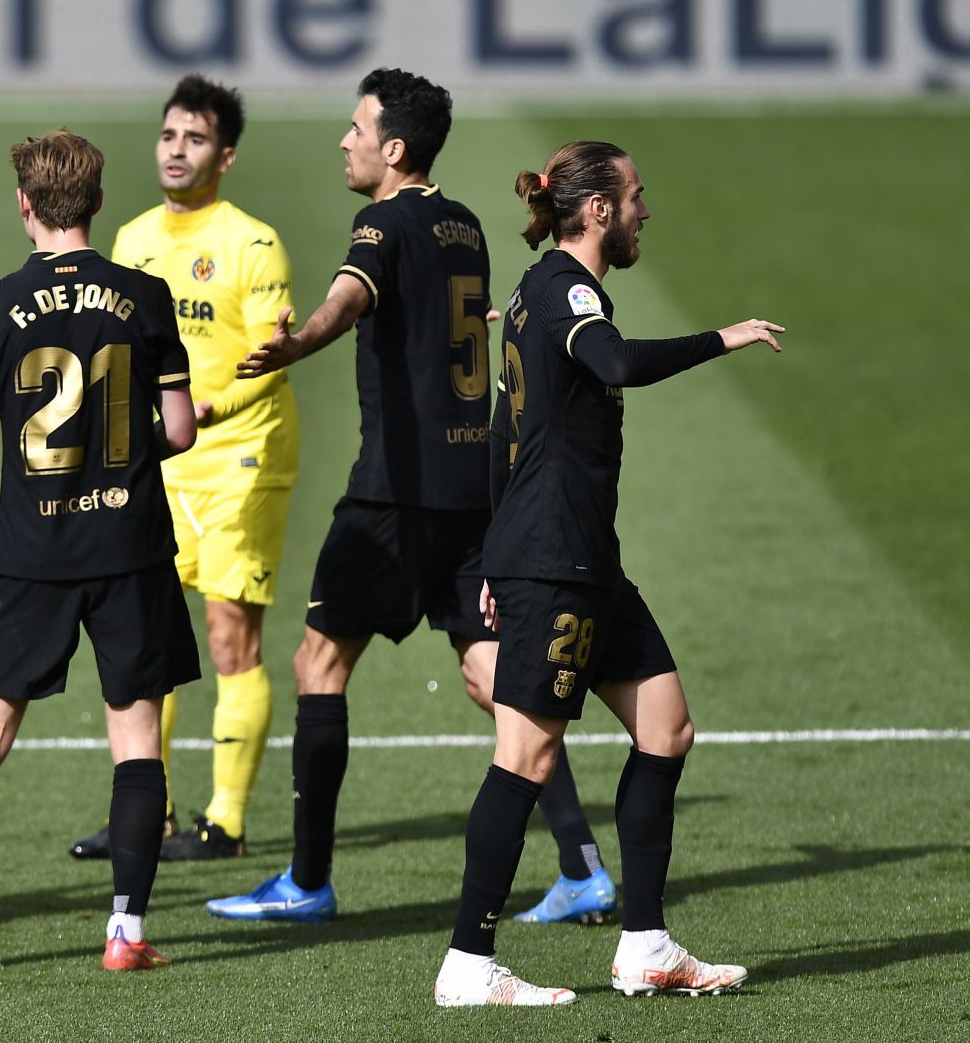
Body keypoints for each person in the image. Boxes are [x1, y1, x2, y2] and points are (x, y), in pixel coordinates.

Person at [432, 140, 782, 1006]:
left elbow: (505, 434)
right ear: (596, 210)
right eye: (634, 198)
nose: (643, 212)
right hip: (556, 560)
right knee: (526, 751)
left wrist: (491, 555)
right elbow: (617, 363)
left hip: (578, 558)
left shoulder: (537, 293)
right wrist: (723, 338)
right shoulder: (566, 289)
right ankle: (469, 965)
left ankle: (646, 945)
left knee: (665, 727)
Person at [0, 130, 201, 974]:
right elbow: (177, 430)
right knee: (138, 743)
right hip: (131, 546)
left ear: (25, 205)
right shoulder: (148, 296)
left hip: (32, 555)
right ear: (97, 203)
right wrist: (118, 455)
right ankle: (126, 934)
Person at [204, 68, 501, 922]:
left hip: (394, 498)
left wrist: (296, 343)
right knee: (492, 680)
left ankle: (306, 882)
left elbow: (347, 298)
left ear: (393, 149)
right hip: (471, 489)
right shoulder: (467, 224)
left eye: (357, 127)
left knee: (317, 664)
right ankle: (580, 864)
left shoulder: (384, 219)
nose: (345, 139)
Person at [66, 74, 296, 863]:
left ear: (224, 156)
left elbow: (273, 358)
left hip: (240, 457)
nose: (176, 149)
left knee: (230, 635)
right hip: (159, 462)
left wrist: (204, 411)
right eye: (169, 135)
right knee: (146, 637)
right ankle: (148, 814)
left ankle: (225, 822)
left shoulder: (253, 242)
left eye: (194, 139)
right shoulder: (131, 241)